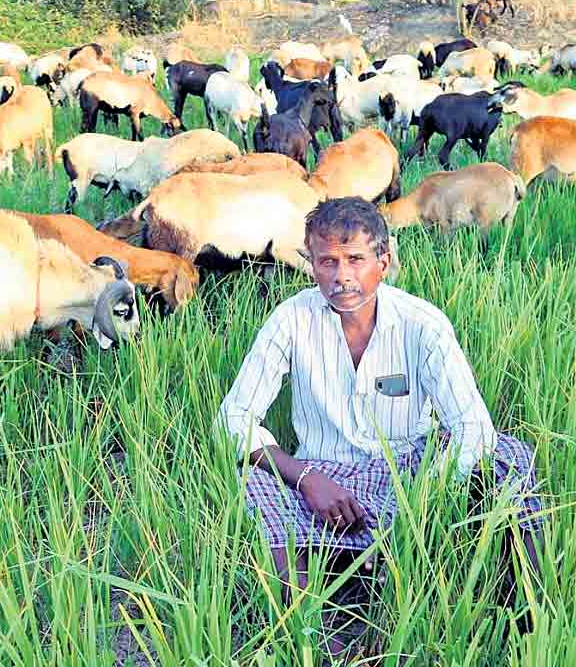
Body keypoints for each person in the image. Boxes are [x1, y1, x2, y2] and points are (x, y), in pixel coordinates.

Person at [217, 197, 544, 645]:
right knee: (252, 480)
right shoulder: (291, 320)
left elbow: (472, 426)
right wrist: (307, 477)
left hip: (412, 470)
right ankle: (309, 636)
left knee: (509, 456)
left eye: (356, 259)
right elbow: (235, 417)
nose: (341, 276)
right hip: (326, 482)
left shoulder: (422, 324)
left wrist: (423, 498)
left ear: (384, 261)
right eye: (327, 261)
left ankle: (526, 618)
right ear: (310, 263)